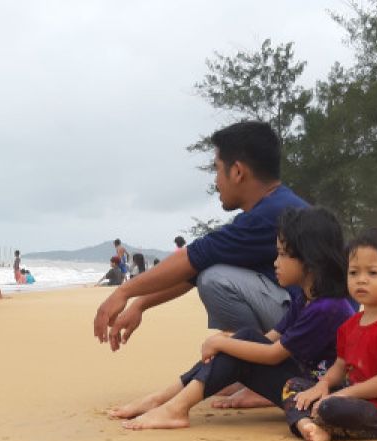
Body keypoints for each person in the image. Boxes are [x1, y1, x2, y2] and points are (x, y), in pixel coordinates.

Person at [110, 206, 355, 432]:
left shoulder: (327, 308)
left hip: (319, 395)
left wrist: (221, 343)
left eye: (281, 255)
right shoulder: (306, 298)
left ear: (310, 260)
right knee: (243, 339)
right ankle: (163, 399)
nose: (275, 263)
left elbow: (273, 354)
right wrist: (231, 341)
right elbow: (266, 339)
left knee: (237, 342)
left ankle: (174, 408)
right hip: (302, 384)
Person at [93, 120, 307, 355]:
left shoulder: (268, 216)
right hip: (310, 321)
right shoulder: (278, 206)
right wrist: (141, 303)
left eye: (217, 168)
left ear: (237, 172)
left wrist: (123, 292)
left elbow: (193, 258)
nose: (216, 182)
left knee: (214, 279)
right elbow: (192, 270)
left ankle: (256, 368)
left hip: (309, 326)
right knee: (211, 271)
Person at [286, 227, 377, 441]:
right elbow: (340, 365)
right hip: (355, 397)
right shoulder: (350, 325)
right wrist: (324, 385)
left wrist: (343, 395)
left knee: (332, 407)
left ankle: (320, 424)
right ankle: (306, 424)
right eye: (354, 272)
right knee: (294, 386)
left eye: (373, 273)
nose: (361, 280)